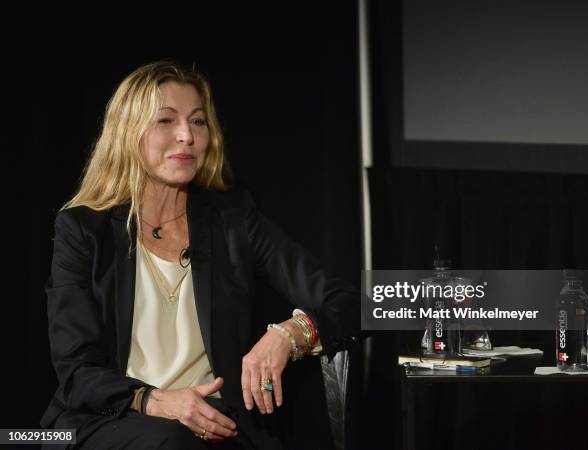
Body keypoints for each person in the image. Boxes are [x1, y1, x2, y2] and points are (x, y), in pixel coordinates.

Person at [40, 60, 363, 450]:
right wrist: (156, 400)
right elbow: (77, 371)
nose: (186, 137)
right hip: (111, 421)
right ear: (128, 133)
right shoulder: (82, 230)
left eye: (197, 122)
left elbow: (351, 303)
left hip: (217, 426)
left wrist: (288, 334)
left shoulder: (233, 220)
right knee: (172, 440)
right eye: (166, 121)